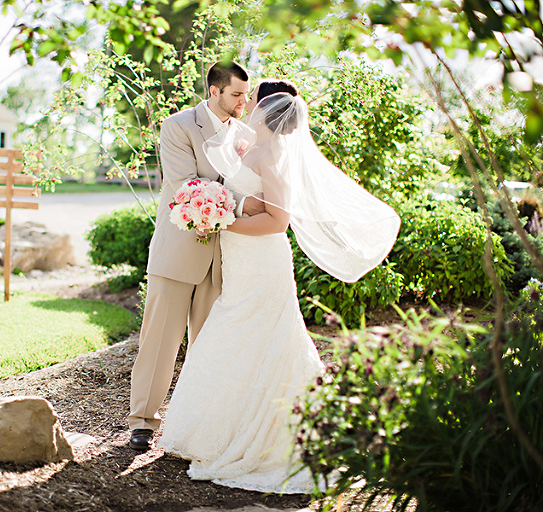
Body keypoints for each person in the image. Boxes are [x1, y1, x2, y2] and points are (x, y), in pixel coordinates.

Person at [158, 81, 401, 492]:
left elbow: (277, 222)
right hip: (240, 260)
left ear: (266, 107)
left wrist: (222, 221)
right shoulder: (250, 147)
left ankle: (268, 438)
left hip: (262, 262)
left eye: (253, 98)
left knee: (253, 334)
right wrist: (216, 209)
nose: (247, 102)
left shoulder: (273, 156)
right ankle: (223, 428)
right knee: (240, 335)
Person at [127, 62, 266, 451]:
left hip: (224, 254)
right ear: (214, 91)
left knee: (207, 345)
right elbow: (185, 184)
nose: (243, 102)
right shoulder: (178, 126)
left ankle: (196, 424)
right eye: (236, 94)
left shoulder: (246, 134)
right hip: (179, 248)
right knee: (159, 341)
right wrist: (240, 205)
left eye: (246, 94)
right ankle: (142, 421)